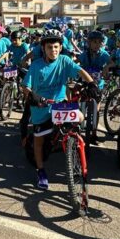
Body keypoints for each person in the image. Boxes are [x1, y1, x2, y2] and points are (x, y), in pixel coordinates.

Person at [22, 29, 100, 190]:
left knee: (79, 118)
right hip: (41, 107)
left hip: (60, 103)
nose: (54, 50)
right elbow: (26, 87)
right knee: (39, 140)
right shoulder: (36, 66)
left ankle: (72, 148)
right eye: (50, 47)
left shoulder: (64, 60)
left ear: (60, 47)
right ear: (43, 48)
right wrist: (33, 96)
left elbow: (80, 71)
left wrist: (91, 83)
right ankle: (41, 170)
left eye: (56, 47)